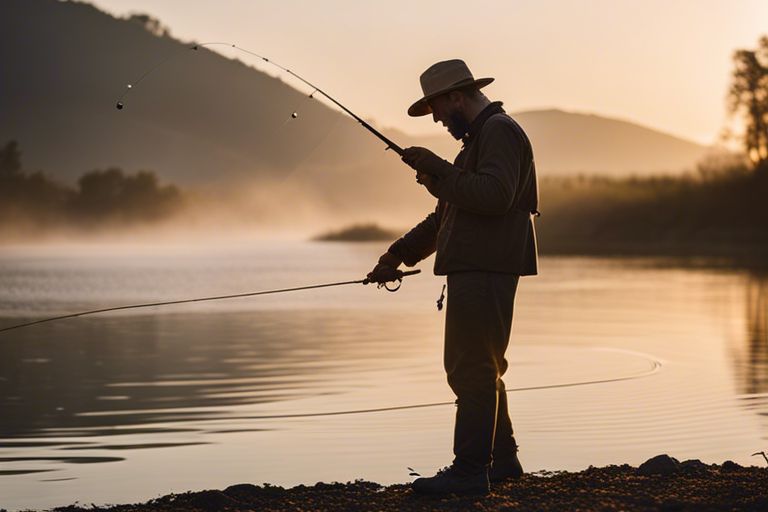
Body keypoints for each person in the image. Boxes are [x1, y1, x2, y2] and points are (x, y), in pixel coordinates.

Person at [367, 59, 539, 496]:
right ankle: (502, 461)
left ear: (456, 98)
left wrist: (441, 171)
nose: (439, 120)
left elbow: (496, 196)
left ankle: (468, 472)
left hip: (486, 270)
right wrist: (397, 254)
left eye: (438, 110)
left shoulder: (499, 131)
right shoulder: (477, 142)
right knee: (483, 367)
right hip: (478, 269)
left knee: (471, 370)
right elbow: (448, 212)